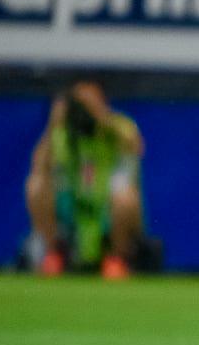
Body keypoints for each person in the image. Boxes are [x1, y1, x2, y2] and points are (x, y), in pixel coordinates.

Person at [25, 80, 145, 280]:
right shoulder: (62, 132)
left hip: (107, 206)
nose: (84, 110)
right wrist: (53, 125)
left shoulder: (119, 124)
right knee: (36, 185)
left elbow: (134, 146)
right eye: (80, 103)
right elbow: (38, 165)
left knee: (126, 198)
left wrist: (101, 118)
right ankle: (54, 253)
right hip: (72, 204)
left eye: (90, 102)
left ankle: (116, 258)